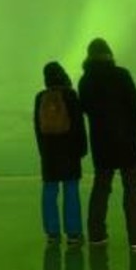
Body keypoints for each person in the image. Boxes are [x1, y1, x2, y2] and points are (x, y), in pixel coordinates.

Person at [78, 37, 136, 252]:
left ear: (89, 57)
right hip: (127, 141)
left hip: (101, 144)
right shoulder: (121, 74)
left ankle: (96, 235)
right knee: (132, 189)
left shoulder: (85, 81)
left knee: (101, 187)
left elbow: (84, 110)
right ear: (109, 54)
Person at [34, 61, 88, 246]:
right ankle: (73, 234)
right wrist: (82, 148)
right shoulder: (70, 95)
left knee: (49, 191)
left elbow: (37, 128)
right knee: (71, 190)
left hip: (49, 154)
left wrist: (43, 152)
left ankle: (52, 234)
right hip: (70, 152)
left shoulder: (40, 97)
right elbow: (79, 125)